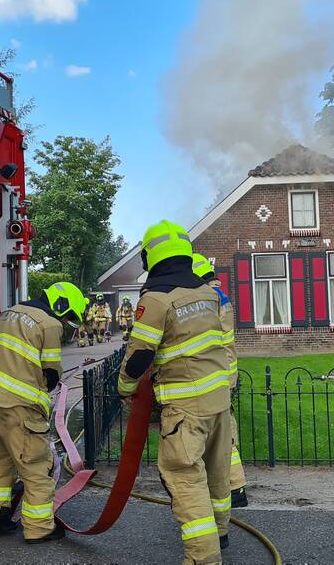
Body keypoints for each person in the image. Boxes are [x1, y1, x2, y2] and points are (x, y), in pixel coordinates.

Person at [117, 220, 233, 565]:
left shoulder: (156, 299)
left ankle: (203, 557)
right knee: (217, 471)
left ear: (150, 256)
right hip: (219, 400)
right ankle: (221, 532)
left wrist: (124, 388)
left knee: (184, 477)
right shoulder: (208, 293)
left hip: (186, 406)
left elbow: (139, 357)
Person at [0, 281, 88, 543]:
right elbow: (52, 372)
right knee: (35, 464)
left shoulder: (11, 312)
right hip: (16, 402)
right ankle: (39, 528)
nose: (67, 324)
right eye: (69, 318)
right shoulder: (50, 323)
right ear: (61, 306)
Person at [191, 253, 248, 508]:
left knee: (218, 437)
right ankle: (234, 489)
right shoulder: (220, 297)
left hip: (212, 375)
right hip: (225, 374)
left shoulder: (206, 299)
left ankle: (232, 490)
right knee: (224, 433)